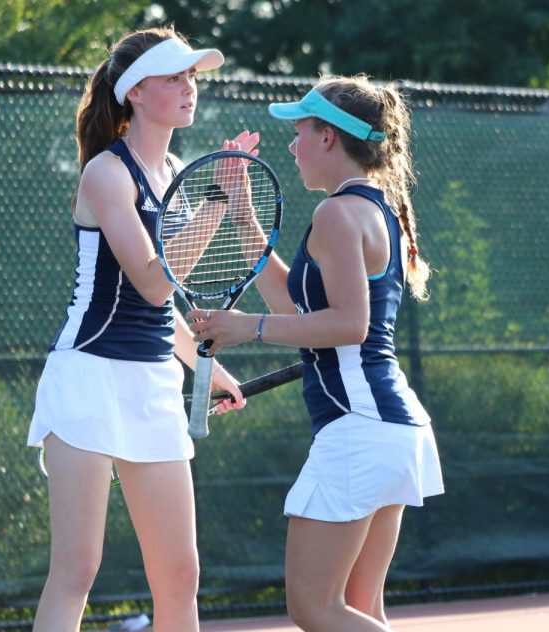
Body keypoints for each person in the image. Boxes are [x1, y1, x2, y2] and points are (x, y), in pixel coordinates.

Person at [187, 75, 444, 631]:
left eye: (300, 131)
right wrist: (244, 216)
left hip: (361, 427)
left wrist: (243, 327)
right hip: (389, 426)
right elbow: (305, 312)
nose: (293, 143)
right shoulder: (375, 210)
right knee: (358, 610)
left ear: (328, 137)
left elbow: (350, 325)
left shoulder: (336, 214)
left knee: (315, 608)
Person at [27, 26, 257, 632]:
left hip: (152, 385)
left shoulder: (177, 170)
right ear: (134, 91)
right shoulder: (107, 174)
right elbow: (155, 281)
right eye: (174, 78)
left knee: (180, 575)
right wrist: (216, 198)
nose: (189, 88)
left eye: (192, 78)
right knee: (76, 569)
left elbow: (161, 307)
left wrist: (213, 373)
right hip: (88, 377)